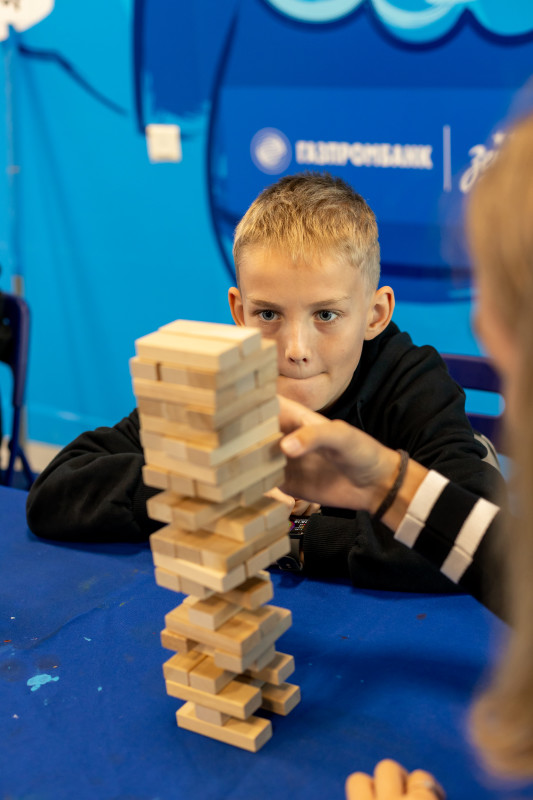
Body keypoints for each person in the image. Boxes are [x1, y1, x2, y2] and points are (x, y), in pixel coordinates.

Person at [26, 173, 502, 596]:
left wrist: (287, 533)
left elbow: (479, 540)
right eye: (269, 314)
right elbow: (57, 490)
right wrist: (206, 500)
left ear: (375, 314)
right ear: (239, 313)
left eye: (327, 314)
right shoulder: (215, 381)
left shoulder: (410, 380)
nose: (295, 348)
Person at [277, 114, 533, 796]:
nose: (294, 347)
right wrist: (386, 484)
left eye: (498, 297)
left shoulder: (409, 376)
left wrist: (297, 530)